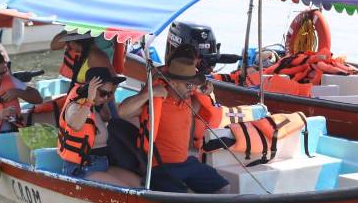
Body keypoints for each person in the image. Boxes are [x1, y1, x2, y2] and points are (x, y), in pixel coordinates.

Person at [118, 57, 230, 193]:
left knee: (224, 188)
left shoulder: (189, 100)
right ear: (172, 82)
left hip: (186, 163)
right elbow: (122, 112)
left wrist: (208, 92)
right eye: (188, 85)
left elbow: (207, 107)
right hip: (161, 168)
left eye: (193, 85)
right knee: (183, 199)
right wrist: (149, 93)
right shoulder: (157, 102)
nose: (192, 89)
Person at [58, 67, 141, 187]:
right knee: (128, 192)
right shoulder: (76, 106)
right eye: (103, 93)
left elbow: (107, 117)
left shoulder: (96, 107)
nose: (106, 98)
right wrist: (90, 100)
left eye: (109, 93)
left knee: (139, 185)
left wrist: (100, 100)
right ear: (90, 89)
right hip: (82, 170)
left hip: (101, 165)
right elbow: (76, 125)